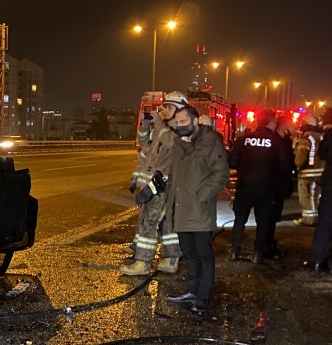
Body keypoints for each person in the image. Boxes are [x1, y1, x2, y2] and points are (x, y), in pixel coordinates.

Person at [164, 105, 230, 314]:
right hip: (181, 210)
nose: (179, 126)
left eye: (184, 122)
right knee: (189, 254)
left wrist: (201, 197)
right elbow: (174, 174)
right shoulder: (179, 144)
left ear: (195, 122)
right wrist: (170, 201)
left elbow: (220, 174)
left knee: (203, 255)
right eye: (177, 122)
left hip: (199, 211)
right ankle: (192, 290)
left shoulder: (210, 142)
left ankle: (203, 295)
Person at [121, 92, 188, 276]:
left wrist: (159, 123)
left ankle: (142, 263)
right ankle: (171, 258)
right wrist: (147, 123)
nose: (165, 111)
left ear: (180, 110)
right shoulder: (165, 128)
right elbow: (146, 147)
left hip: (162, 185)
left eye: (169, 107)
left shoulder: (179, 129)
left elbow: (171, 145)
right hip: (160, 185)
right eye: (164, 107)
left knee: (148, 222)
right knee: (167, 225)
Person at [227, 109, 291, 264]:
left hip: (245, 187)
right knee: (263, 222)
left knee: (239, 220)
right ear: (272, 122)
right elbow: (284, 166)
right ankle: (258, 254)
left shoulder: (243, 140)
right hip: (266, 189)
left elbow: (233, 163)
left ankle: (235, 250)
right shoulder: (276, 141)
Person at [265, 116, 297, 259]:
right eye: (292, 125)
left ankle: (267, 243)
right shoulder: (279, 142)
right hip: (276, 185)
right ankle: (267, 246)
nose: (295, 128)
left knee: (271, 216)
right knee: (271, 217)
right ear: (284, 127)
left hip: (275, 184)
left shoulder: (280, 140)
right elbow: (285, 163)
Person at [305, 109, 332, 271]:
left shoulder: (330, 134)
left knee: (325, 223)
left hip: (330, 184)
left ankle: (317, 259)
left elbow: (322, 153)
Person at [293, 115, 325, 226]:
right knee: (316, 196)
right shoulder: (322, 136)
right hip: (321, 171)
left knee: (306, 197)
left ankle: (309, 220)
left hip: (308, 172)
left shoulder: (306, 137)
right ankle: (318, 218)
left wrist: (297, 165)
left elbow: (301, 155)